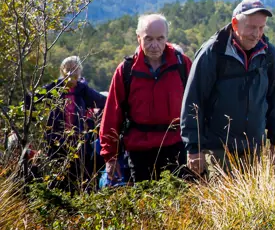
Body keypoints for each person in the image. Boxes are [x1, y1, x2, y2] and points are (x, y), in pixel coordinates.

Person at [181, 0, 275, 176]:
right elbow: (193, 101)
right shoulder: (213, 53)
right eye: (252, 27)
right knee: (219, 202)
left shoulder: (268, 54)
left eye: (261, 28)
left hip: (254, 151)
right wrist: (194, 148)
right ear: (235, 24)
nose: (257, 34)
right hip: (218, 151)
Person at [99, 14, 192, 183]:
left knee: (178, 203)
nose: (154, 45)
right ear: (138, 38)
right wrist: (110, 156)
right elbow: (112, 113)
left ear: (166, 38)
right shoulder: (126, 70)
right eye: (148, 39)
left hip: (176, 146)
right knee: (144, 202)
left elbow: (196, 106)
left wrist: (198, 147)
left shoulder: (182, 65)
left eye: (160, 38)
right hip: (139, 151)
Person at [42, 56, 108, 192]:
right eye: (68, 69)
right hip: (56, 142)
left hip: (79, 142)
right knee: (57, 176)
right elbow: (33, 99)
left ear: (80, 71)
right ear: (62, 70)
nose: (72, 73)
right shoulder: (54, 88)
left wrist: (93, 122)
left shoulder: (83, 90)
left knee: (80, 175)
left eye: (75, 69)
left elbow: (105, 101)